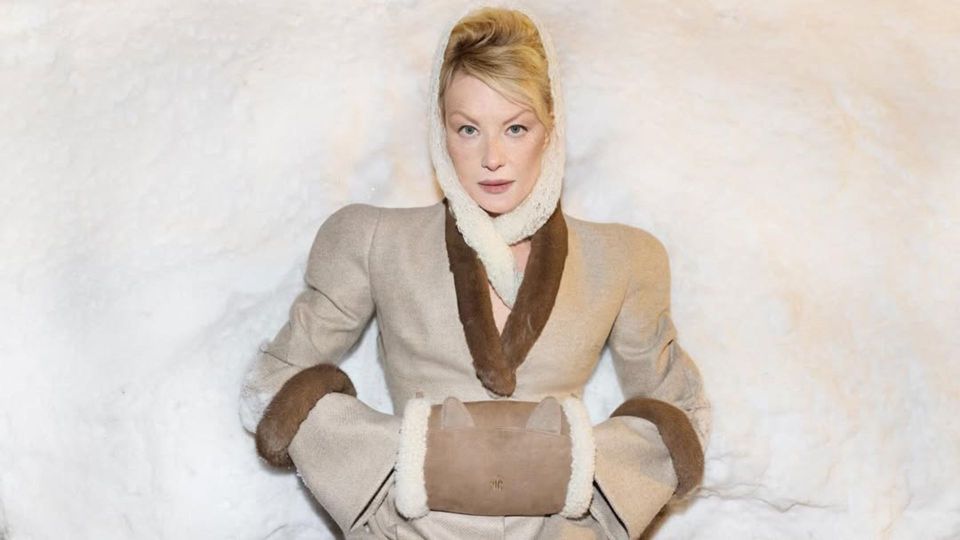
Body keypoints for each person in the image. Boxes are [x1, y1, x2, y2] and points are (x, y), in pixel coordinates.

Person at [239, 3, 711, 539]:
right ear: (439, 129)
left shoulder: (624, 257)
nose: (492, 157)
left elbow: (681, 419)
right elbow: (271, 389)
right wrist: (409, 462)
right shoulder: (372, 240)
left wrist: (571, 469)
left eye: (515, 127)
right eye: (468, 129)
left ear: (551, 128)